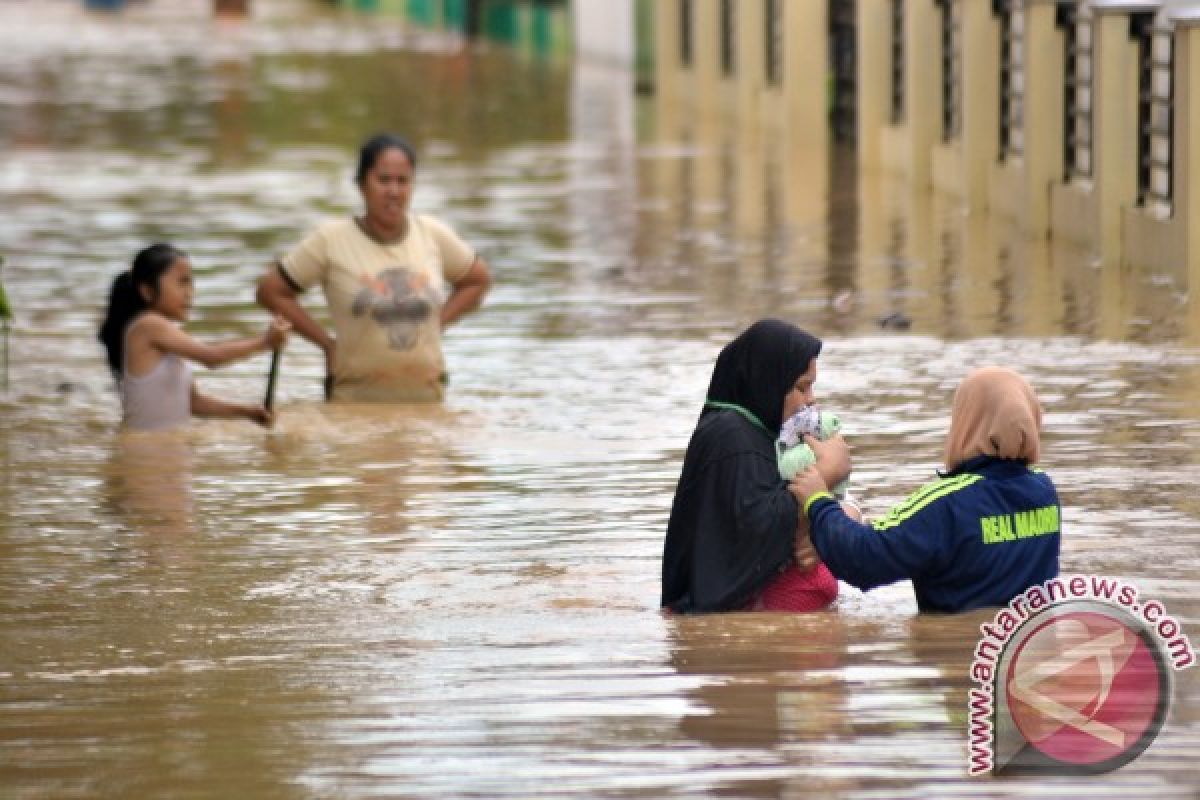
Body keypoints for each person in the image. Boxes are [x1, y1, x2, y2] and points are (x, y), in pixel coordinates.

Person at [790, 366, 1061, 613]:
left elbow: (863, 558)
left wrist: (818, 500)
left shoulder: (949, 502)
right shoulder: (1044, 491)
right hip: (1024, 649)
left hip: (959, 658)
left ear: (968, 422)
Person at [256, 132, 492, 403]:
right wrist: (326, 345)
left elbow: (478, 280)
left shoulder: (432, 235)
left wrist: (435, 326)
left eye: (402, 181)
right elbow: (270, 291)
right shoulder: (330, 240)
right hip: (353, 406)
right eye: (383, 180)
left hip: (427, 404)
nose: (393, 191)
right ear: (362, 185)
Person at [660, 319, 851, 614]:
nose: (810, 400)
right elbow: (755, 530)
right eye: (802, 387)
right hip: (715, 623)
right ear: (768, 381)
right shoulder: (731, 438)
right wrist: (827, 472)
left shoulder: (761, 434)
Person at [98, 243, 290, 431]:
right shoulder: (148, 326)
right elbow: (211, 357)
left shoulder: (167, 335)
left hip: (164, 449)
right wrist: (265, 342)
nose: (190, 293)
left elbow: (193, 403)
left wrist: (248, 413)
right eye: (182, 282)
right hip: (146, 453)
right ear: (148, 291)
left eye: (191, 283)